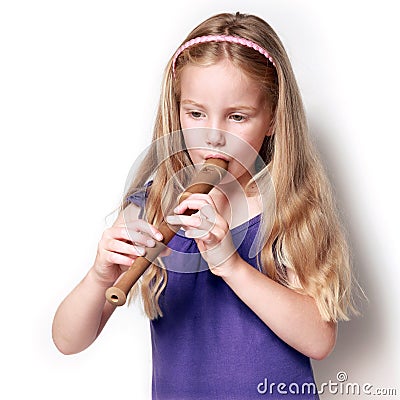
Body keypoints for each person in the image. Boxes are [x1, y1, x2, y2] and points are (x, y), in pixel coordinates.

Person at [52, 12, 359, 399]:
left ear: (273, 119)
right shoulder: (151, 206)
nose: (214, 137)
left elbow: (319, 340)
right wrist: (100, 276)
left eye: (237, 116)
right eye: (195, 113)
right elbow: (67, 340)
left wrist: (229, 265)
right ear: (176, 111)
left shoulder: (291, 208)